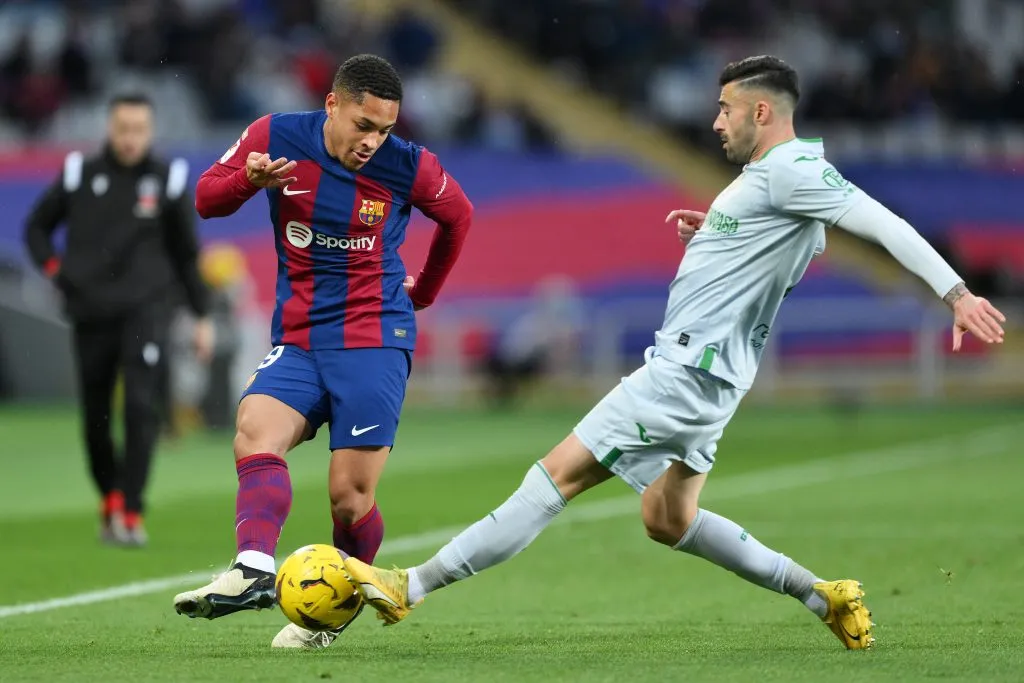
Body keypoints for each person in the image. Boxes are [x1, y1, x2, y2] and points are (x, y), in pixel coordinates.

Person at [343, 55, 1008, 650]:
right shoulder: (767, 181)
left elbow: (881, 221)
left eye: (725, 109)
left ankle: (413, 585)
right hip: (713, 382)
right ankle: (821, 593)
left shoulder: (794, 170)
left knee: (554, 478)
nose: (715, 121)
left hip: (685, 373)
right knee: (667, 517)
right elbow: (767, 252)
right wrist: (714, 234)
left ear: (761, 110)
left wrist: (955, 293)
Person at [171, 54, 473, 650]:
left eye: (385, 128)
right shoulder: (275, 137)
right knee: (254, 426)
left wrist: (424, 294)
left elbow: (459, 217)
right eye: (365, 125)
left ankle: (329, 616)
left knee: (350, 498)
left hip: (375, 337)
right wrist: (248, 182)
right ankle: (254, 568)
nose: (374, 141)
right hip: (303, 334)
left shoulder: (408, 166)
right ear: (333, 104)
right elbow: (207, 200)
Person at [23, 93, 214, 547]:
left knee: (141, 406)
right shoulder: (79, 174)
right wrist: (57, 272)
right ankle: (108, 495)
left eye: (139, 129)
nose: (131, 138)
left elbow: (187, 256)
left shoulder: (168, 180)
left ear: (150, 131)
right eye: (123, 128)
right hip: (90, 310)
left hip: (146, 310)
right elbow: (36, 228)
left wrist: (202, 314)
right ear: (110, 128)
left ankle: (131, 507)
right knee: (95, 414)